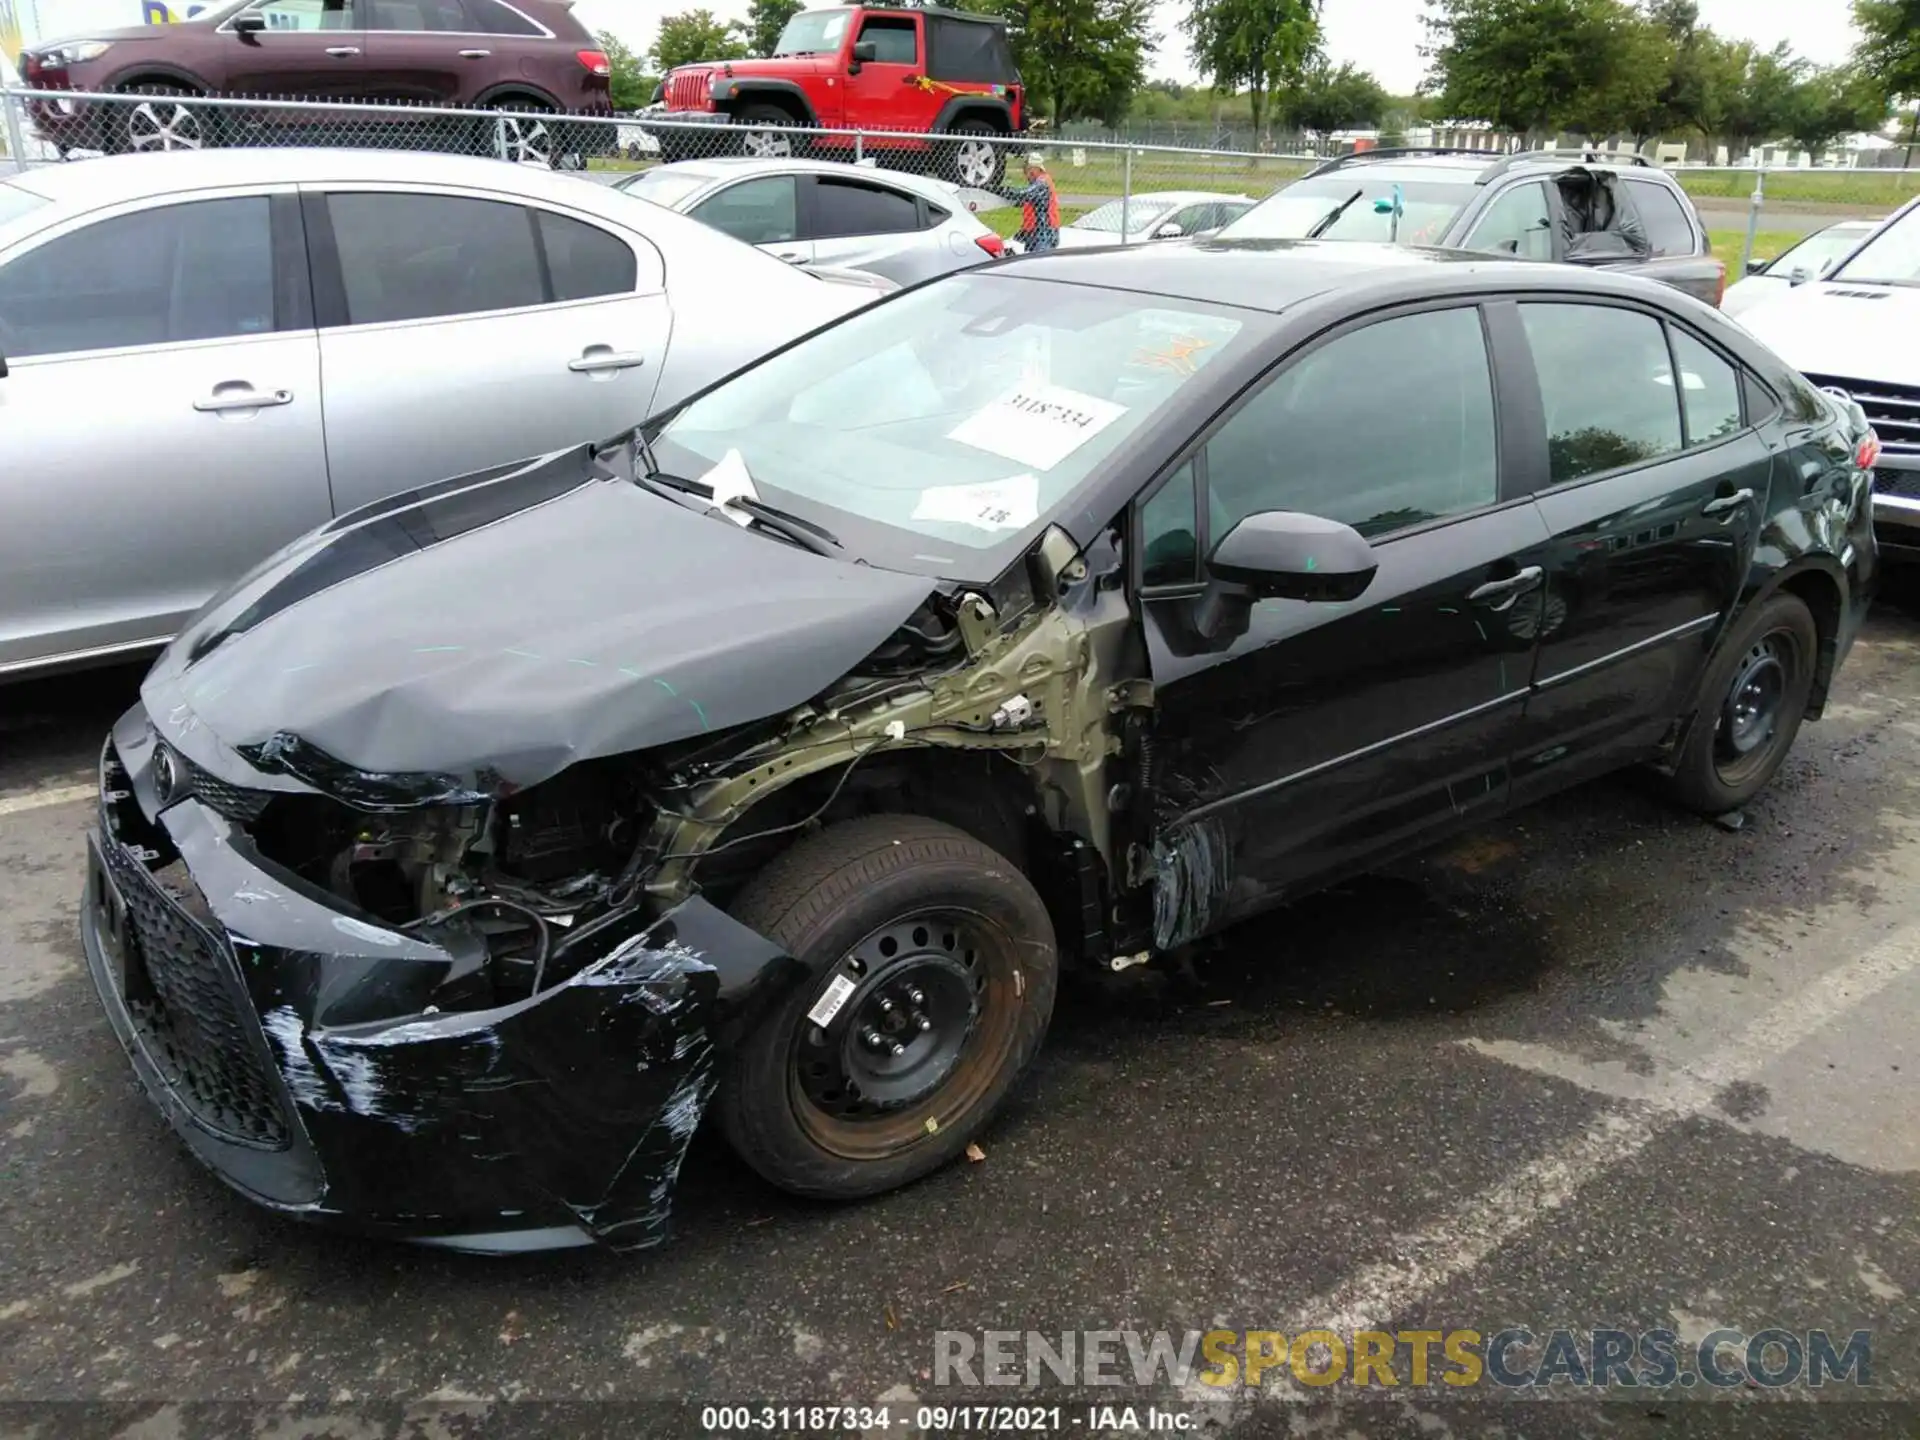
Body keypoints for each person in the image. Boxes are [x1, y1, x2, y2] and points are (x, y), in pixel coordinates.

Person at [998, 154, 1060, 253]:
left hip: (1044, 234)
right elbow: (1024, 202)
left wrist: (1003, 190)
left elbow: (1025, 194)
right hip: (1035, 234)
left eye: (1026, 170)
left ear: (1035, 169)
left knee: (1038, 263)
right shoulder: (1038, 183)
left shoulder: (1042, 183)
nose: (1025, 174)